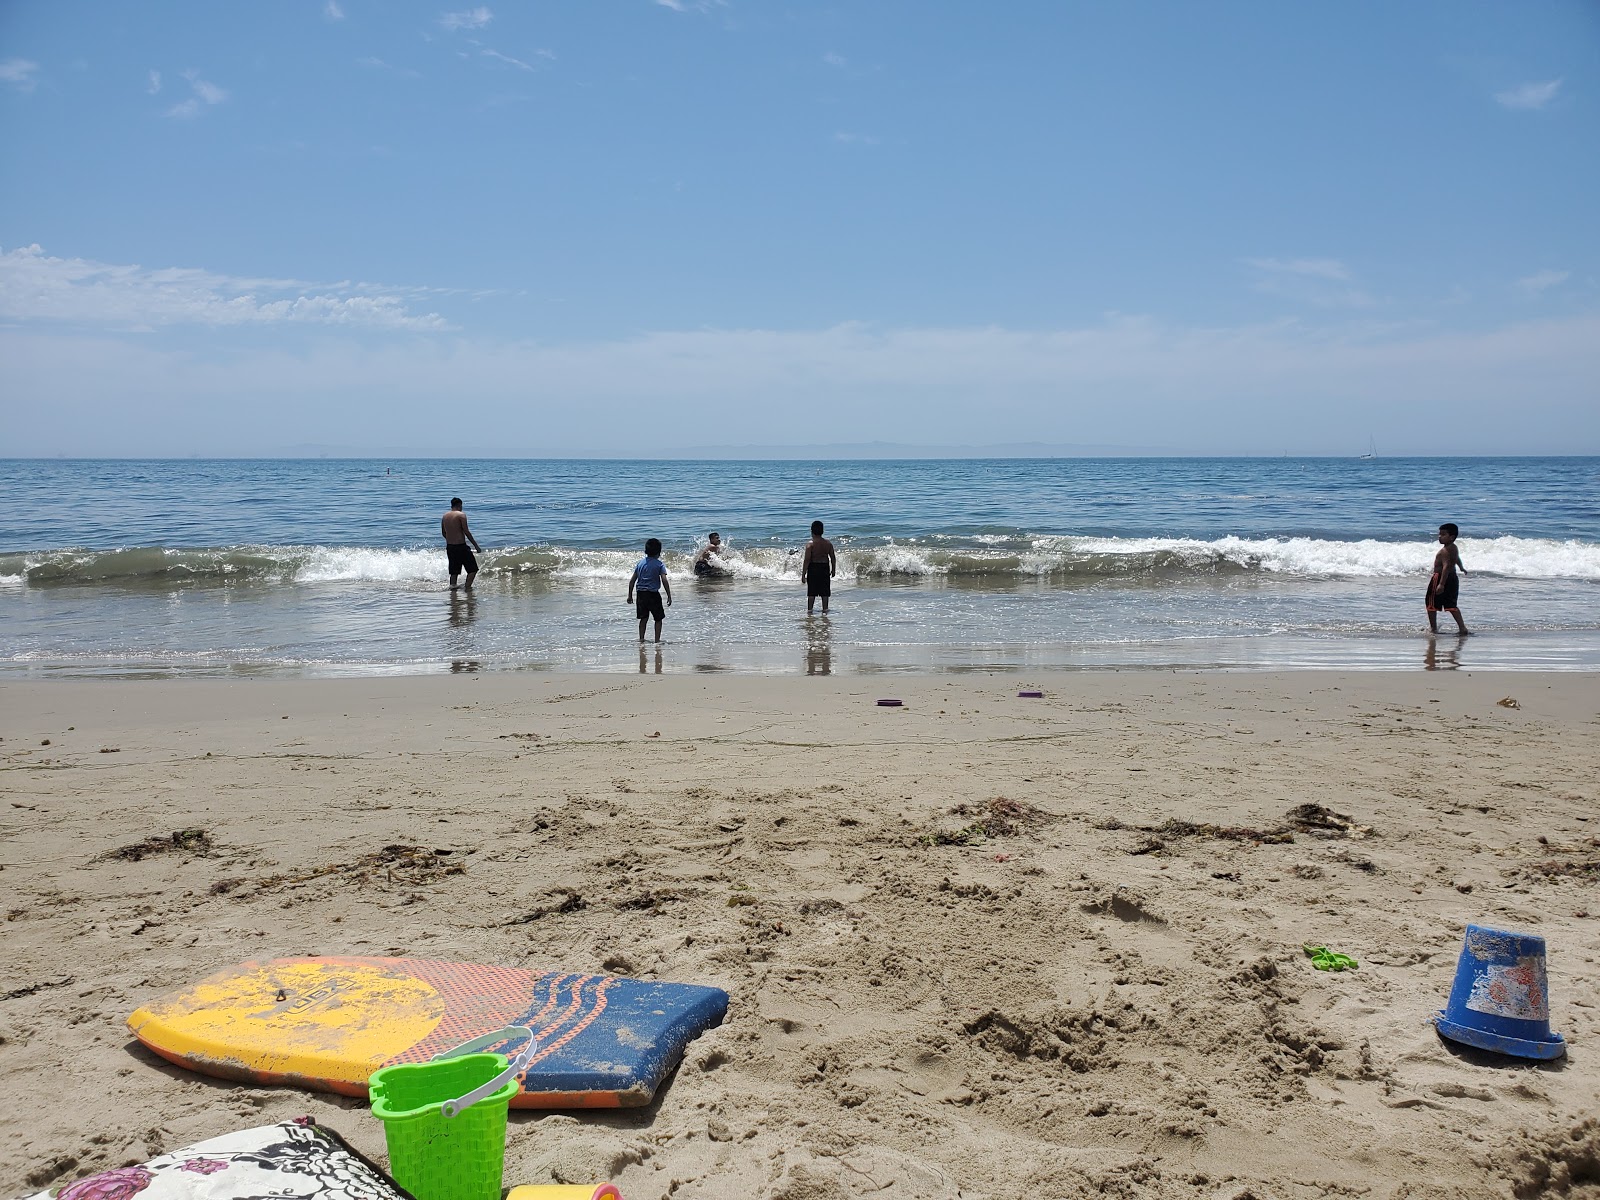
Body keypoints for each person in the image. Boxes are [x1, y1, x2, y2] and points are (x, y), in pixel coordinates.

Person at [627, 537, 672, 643]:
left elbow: (632, 580)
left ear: (646, 551)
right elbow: (664, 580)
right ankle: (657, 640)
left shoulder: (640, 564)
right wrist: (669, 595)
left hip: (641, 594)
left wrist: (629, 595)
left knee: (643, 618)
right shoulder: (659, 564)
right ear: (659, 552)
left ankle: (641, 639)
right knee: (658, 619)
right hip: (653, 595)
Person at [1426, 522, 1469, 635]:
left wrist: (1441, 584)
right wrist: (1461, 567)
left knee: (1430, 604)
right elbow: (1456, 559)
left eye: (1443, 534)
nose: (1439, 537)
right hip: (1452, 578)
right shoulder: (1453, 548)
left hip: (1440, 578)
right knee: (1451, 605)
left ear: (1452, 537)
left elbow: (1445, 568)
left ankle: (1433, 628)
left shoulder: (1445, 551)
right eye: (1439, 534)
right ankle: (1462, 628)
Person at [441, 497, 483, 591]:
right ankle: (467, 588)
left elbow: (443, 533)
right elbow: (466, 532)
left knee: (454, 572)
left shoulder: (445, 516)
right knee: (473, 569)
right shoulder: (461, 515)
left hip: (450, 547)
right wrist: (476, 546)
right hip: (461, 546)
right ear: (460, 505)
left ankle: (453, 590)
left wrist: (451, 540)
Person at [800, 520, 836, 615]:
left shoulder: (810, 545)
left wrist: (803, 574)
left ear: (811, 531)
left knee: (811, 592)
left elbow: (807, 560)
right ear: (822, 531)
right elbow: (832, 557)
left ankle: (810, 611)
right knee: (825, 592)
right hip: (824, 568)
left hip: (813, 568)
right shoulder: (828, 544)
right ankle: (825, 610)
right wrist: (833, 570)